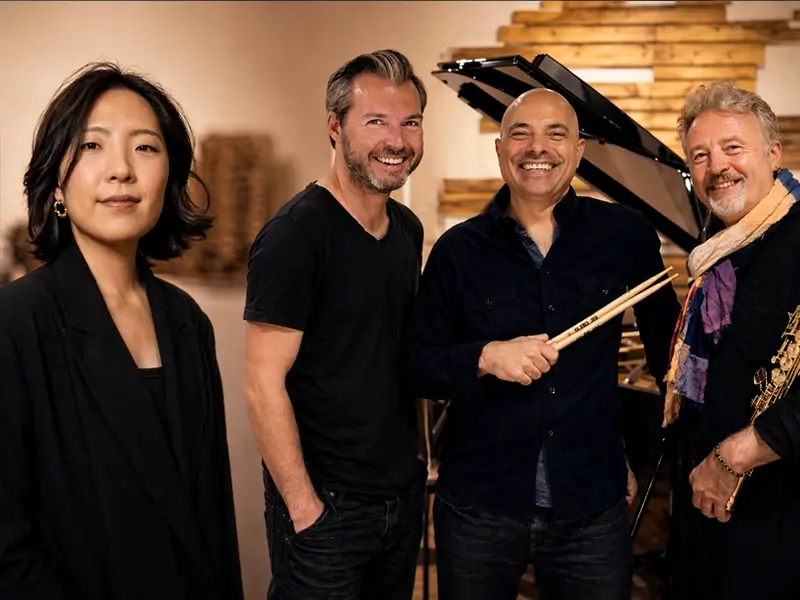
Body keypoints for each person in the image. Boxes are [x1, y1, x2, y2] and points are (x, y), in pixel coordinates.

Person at [407, 88, 681, 600]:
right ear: (500, 149)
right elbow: (418, 365)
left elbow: (670, 360)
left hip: (591, 507)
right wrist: (487, 356)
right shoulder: (457, 251)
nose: (538, 148)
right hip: (479, 505)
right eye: (520, 133)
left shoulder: (625, 235)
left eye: (556, 134)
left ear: (579, 151)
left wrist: (634, 456)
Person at [0, 62, 244, 600]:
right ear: (56, 180)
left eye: (145, 148)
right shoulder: (16, 323)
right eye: (92, 146)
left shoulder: (187, 322)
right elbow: (7, 545)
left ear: (171, 177)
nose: (120, 171)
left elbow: (212, 517)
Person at [242, 49, 427, 600]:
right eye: (375, 122)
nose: (396, 140)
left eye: (410, 122)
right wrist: (305, 507)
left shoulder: (407, 230)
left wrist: (418, 460)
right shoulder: (296, 235)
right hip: (327, 507)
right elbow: (261, 384)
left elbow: (393, 356)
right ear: (334, 126)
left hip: (399, 499)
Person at [663, 80, 800, 599]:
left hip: (781, 527)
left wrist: (736, 455)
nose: (716, 166)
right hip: (713, 526)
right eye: (699, 155)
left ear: (773, 152)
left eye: (732, 148)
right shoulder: (716, 254)